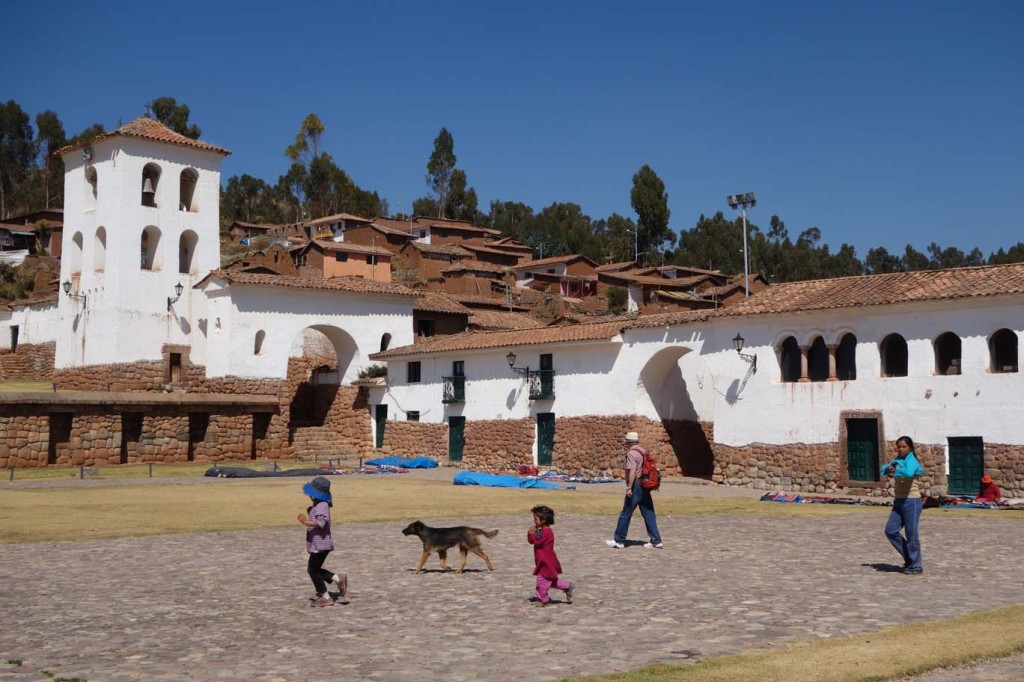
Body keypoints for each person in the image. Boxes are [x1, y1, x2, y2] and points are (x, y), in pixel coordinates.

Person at [605, 432, 663, 549]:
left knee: (626, 513)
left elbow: (632, 471)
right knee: (649, 513)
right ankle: (656, 540)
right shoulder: (642, 451)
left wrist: (629, 487)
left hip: (636, 484)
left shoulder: (632, 453)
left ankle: (619, 540)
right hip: (644, 483)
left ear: (628, 442)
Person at [296, 476, 347, 607]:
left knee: (312, 570)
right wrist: (310, 512)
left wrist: (305, 521)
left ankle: (325, 596)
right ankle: (337, 578)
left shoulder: (322, 505)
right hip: (318, 543)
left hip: (321, 544)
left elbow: (321, 523)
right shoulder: (319, 504)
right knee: (315, 569)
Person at [880, 436, 925, 575]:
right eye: (898, 446)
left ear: (910, 447)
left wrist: (895, 469)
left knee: (911, 534)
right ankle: (909, 558)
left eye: (903, 447)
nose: (900, 449)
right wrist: (889, 468)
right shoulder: (898, 460)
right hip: (899, 501)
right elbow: (884, 468)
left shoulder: (912, 460)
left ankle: (916, 565)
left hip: (911, 501)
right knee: (891, 530)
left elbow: (909, 473)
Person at [527, 505, 573, 606]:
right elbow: (532, 541)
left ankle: (543, 600)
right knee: (551, 581)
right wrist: (530, 533)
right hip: (542, 561)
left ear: (543, 520)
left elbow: (537, 542)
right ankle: (567, 586)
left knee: (541, 581)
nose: (534, 521)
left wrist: (532, 534)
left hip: (546, 562)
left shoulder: (548, 532)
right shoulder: (540, 531)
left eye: (536, 519)